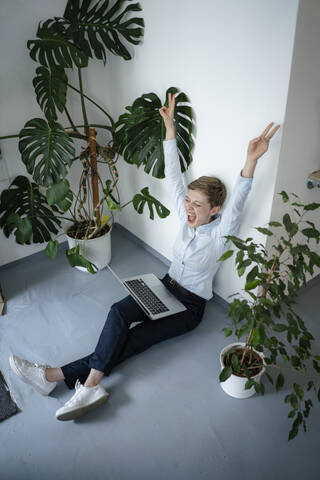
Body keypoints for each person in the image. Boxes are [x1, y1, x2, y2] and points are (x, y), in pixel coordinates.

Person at [9, 93, 280, 421]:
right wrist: (169, 126)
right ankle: (65, 380)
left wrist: (251, 160)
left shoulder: (222, 232)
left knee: (132, 340)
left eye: (198, 204)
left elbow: (240, 200)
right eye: (189, 201)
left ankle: (56, 378)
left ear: (215, 210)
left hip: (189, 308)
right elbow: (173, 176)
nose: (189, 208)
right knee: (118, 314)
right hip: (165, 286)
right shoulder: (185, 218)